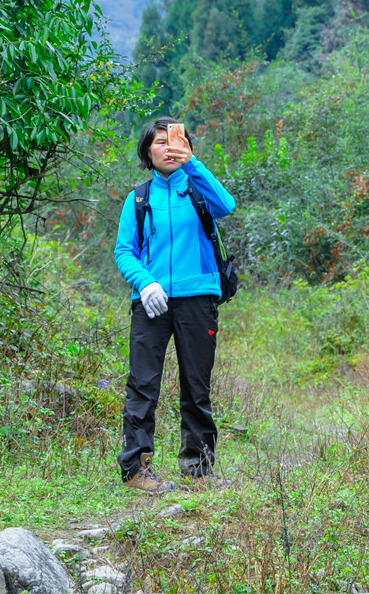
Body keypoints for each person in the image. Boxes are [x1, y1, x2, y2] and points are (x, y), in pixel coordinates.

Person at [114, 116, 235, 493]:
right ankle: (136, 470)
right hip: (150, 303)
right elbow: (124, 251)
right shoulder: (138, 198)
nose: (168, 148)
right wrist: (144, 282)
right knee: (142, 385)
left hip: (197, 298)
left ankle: (198, 469)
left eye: (175, 141)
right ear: (147, 152)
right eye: (160, 142)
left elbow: (226, 205)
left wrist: (193, 164)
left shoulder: (198, 189)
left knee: (196, 386)